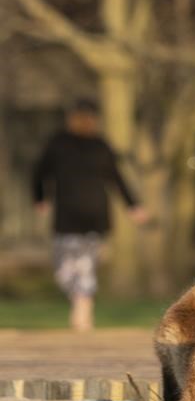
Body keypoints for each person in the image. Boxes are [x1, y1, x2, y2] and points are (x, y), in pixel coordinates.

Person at [32, 99, 147, 331]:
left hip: (94, 214)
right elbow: (39, 171)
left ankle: (83, 310)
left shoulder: (100, 146)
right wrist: (40, 197)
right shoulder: (58, 144)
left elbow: (116, 178)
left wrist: (132, 206)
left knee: (85, 264)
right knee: (64, 268)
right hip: (66, 215)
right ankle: (79, 299)